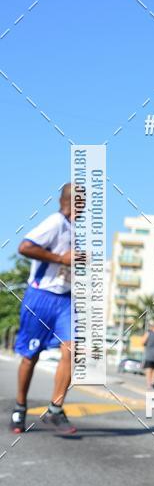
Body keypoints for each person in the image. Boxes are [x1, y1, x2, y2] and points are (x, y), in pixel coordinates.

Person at [10, 183, 77, 436]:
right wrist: (61, 259)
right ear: (72, 202)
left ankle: (55, 409)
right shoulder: (55, 222)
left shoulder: (75, 230)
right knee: (30, 356)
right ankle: (19, 406)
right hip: (40, 297)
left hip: (65, 299)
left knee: (72, 350)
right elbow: (25, 247)